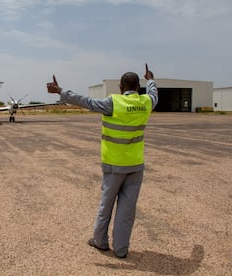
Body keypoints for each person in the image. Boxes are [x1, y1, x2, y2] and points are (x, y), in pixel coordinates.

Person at [46, 64, 158, 258]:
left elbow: (86, 101)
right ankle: (122, 249)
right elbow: (154, 93)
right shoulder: (146, 102)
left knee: (106, 205)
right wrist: (150, 79)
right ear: (138, 88)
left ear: (120, 88)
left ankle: (100, 241)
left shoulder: (113, 103)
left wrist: (61, 91)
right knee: (127, 209)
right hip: (135, 165)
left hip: (114, 165)